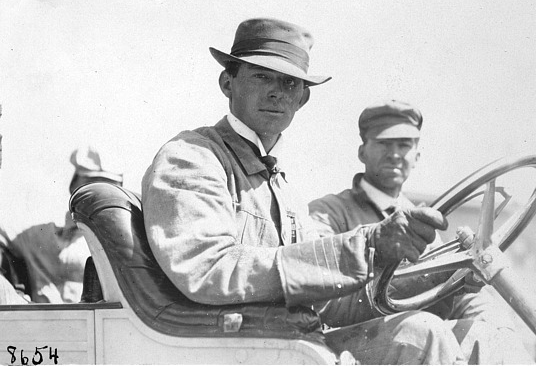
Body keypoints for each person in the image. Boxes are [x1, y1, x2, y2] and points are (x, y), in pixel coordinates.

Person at [141, 18, 466, 365]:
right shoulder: (193, 156)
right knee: (423, 335)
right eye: (261, 76)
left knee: (432, 332)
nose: (277, 91)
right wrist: (366, 245)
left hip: (282, 347)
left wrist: (440, 273)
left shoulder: (285, 190)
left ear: (302, 99)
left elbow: (329, 305)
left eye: (290, 83)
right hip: (226, 351)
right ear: (227, 82)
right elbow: (207, 269)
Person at [308, 100, 532, 364]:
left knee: (492, 332)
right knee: (422, 332)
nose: (394, 154)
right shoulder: (328, 213)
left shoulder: (425, 222)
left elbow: (452, 294)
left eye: (404, 145)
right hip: (345, 346)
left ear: (417, 156)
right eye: (383, 143)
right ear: (362, 152)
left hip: (409, 342)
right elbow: (323, 299)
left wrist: (492, 321)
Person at [0, 145, 123, 304]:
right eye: (89, 185)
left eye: (108, 189)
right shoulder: (40, 237)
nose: (97, 197)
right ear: (73, 186)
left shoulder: (122, 244)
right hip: (42, 324)